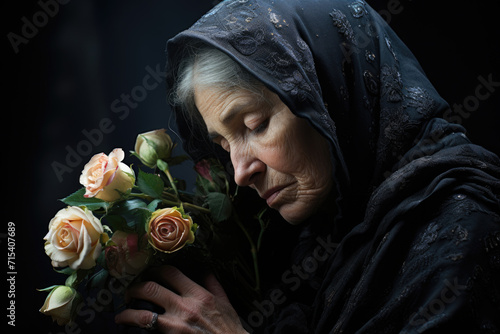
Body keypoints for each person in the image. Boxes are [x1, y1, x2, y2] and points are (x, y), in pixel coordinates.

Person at [114, 0, 500, 332]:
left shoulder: (465, 225)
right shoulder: (314, 239)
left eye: (255, 125)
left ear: (333, 94)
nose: (240, 172)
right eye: (222, 145)